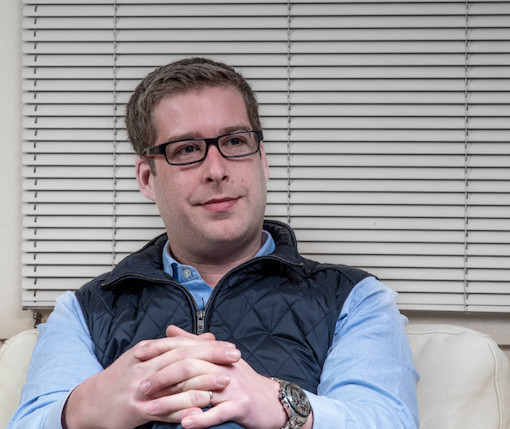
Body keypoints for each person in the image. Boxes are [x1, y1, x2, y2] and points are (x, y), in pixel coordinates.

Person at [9, 57, 419, 429]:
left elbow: (387, 420)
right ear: (147, 178)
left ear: (262, 160)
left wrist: (282, 405)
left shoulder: (355, 299)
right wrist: (87, 405)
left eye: (235, 141)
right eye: (187, 149)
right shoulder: (83, 311)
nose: (217, 170)